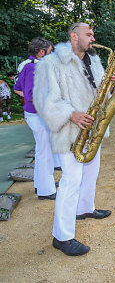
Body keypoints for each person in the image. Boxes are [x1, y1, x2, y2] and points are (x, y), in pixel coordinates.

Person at [33, 22, 115, 256]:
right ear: (74, 36)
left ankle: (85, 208)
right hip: (68, 131)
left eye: (93, 34)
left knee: (92, 171)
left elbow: (102, 94)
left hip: (92, 128)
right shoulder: (50, 64)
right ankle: (62, 237)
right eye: (88, 34)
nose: (93, 38)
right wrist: (71, 114)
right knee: (71, 179)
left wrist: (112, 86)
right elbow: (42, 100)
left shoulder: (94, 61)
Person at [14, 37, 56, 199]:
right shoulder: (34, 68)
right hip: (39, 115)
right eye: (49, 52)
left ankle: (42, 184)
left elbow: (18, 89)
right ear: (41, 52)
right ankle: (46, 190)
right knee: (44, 152)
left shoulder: (27, 66)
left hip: (34, 114)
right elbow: (32, 95)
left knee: (41, 151)